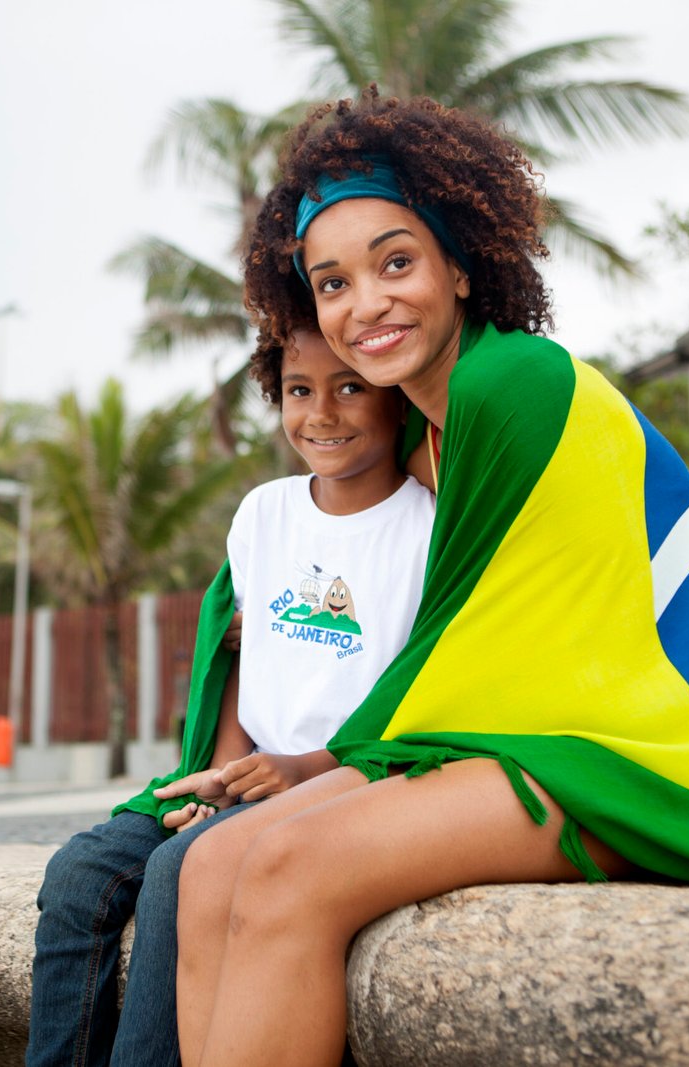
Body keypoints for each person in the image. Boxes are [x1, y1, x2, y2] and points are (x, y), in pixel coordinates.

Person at [174, 90, 689, 1067]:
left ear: (457, 262)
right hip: (540, 741)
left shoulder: (510, 385)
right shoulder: (439, 426)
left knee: (280, 861)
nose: (364, 304)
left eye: (395, 261)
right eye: (331, 283)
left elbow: (487, 649)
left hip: (630, 750)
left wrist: (341, 762)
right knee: (212, 862)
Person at [26, 328, 436, 1067]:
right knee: (78, 874)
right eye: (299, 392)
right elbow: (241, 651)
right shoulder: (264, 513)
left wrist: (302, 769)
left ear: (397, 395)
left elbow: (423, 700)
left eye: (351, 387)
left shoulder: (426, 527)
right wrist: (221, 776)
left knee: (177, 872)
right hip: (241, 780)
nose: (322, 414)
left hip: (340, 785)